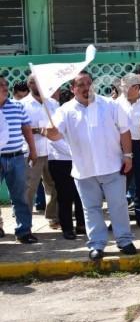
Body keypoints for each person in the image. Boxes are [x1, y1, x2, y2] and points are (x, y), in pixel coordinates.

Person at [45, 71, 137, 259]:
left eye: (89, 83)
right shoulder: (64, 110)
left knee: (118, 206)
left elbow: (125, 131)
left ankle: (124, 240)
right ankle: (96, 244)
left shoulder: (109, 105)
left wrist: (128, 156)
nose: (86, 87)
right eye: (81, 84)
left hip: (112, 165)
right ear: (73, 89)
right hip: (84, 170)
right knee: (91, 209)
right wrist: (50, 130)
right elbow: (54, 135)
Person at [0, 75, 38, 243]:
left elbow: (26, 129)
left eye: (5, 84)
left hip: (16, 157)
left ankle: (24, 231)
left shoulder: (17, 106)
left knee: (20, 196)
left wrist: (33, 150)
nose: (4, 87)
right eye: (0, 85)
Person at [22, 76, 60, 230]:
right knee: (29, 188)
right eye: (36, 82)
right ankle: (25, 222)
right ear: (30, 84)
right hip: (33, 152)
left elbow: (58, 125)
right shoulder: (22, 105)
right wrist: (39, 130)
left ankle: (53, 217)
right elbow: (21, 128)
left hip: (53, 151)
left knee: (53, 186)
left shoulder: (53, 103)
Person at [47, 88, 85, 240]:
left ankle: (81, 224)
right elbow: (55, 141)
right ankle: (67, 228)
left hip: (78, 160)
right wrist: (75, 151)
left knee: (81, 194)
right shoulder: (57, 115)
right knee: (65, 196)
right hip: (60, 162)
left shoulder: (78, 114)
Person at [117, 74, 140, 228]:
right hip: (122, 147)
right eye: (122, 86)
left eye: (125, 86)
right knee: (121, 184)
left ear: (136, 88)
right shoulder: (116, 103)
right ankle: (120, 217)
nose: (122, 89)